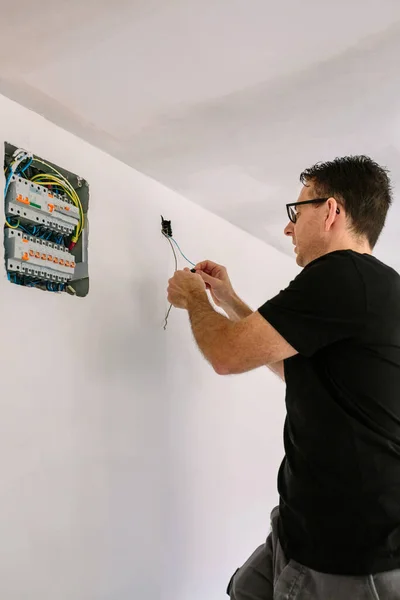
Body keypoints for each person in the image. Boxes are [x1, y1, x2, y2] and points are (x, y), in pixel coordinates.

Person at [166, 155, 400, 599]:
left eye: (297, 212)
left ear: (331, 211)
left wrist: (195, 301)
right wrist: (230, 300)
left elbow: (227, 356)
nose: (289, 228)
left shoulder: (339, 275)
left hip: (343, 555)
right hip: (304, 530)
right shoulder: (374, 286)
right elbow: (293, 367)